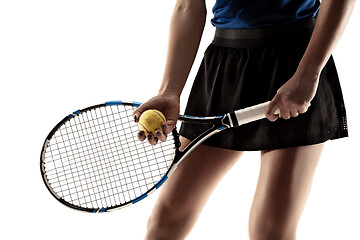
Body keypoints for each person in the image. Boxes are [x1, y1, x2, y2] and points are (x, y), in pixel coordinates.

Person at [132, 0, 355, 239]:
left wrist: (308, 73)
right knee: (164, 222)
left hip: (295, 61)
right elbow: (188, 5)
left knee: (269, 231)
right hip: (224, 67)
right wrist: (169, 91)